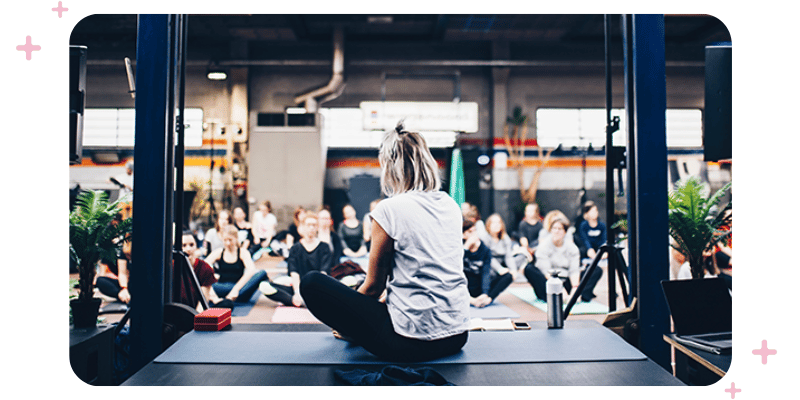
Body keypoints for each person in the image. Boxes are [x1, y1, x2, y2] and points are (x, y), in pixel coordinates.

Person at [300, 121, 470, 363]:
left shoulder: (388, 209)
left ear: (390, 167)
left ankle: (352, 332)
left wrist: (348, 320)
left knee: (312, 283)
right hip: (457, 335)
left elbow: (373, 287)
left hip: (410, 343)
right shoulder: (450, 205)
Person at [524, 215, 602, 302]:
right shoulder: (543, 246)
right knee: (529, 268)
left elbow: (574, 270)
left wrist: (575, 288)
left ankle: (578, 295)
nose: (556, 231)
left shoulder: (572, 248)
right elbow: (546, 271)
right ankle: (554, 296)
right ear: (550, 230)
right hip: (550, 282)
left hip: (567, 280)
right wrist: (559, 289)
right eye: (554, 228)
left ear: (565, 232)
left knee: (595, 269)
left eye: (560, 229)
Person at [261, 211, 332, 307]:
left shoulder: (324, 247)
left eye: (314, 225)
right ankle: (295, 300)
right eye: (308, 225)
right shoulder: (295, 248)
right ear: (302, 227)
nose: (311, 228)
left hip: (319, 288)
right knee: (264, 286)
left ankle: (303, 301)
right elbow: (294, 273)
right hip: (299, 287)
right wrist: (297, 292)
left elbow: (324, 272)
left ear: (317, 227)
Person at [203, 225, 269, 303]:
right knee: (207, 283)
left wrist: (235, 290)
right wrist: (211, 275)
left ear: (236, 238)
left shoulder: (242, 252)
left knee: (262, 273)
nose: (228, 243)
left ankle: (229, 299)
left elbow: (251, 270)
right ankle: (221, 299)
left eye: (230, 240)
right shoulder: (219, 252)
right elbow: (202, 266)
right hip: (221, 288)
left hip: (240, 289)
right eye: (225, 240)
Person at [463, 219, 513, 308]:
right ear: (463, 235)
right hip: (464, 287)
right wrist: (466, 247)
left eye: (475, 231)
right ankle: (472, 301)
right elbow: (455, 268)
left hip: (478, 287)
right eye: (470, 232)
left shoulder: (485, 250)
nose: (474, 234)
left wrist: (485, 293)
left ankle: (486, 300)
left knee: (508, 276)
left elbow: (485, 273)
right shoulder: (460, 248)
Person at [178, 231, 224, 309]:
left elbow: (202, 303)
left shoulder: (205, 268)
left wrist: (195, 316)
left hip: (195, 312)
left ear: (196, 246)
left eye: (191, 245)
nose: (188, 249)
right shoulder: (171, 267)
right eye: (184, 245)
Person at [484, 213, 531, 279]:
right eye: (494, 223)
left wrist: (513, 270)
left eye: (499, 222)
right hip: (490, 265)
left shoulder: (505, 238)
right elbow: (488, 257)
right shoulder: (485, 238)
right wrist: (500, 269)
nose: (496, 225)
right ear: (488, 225)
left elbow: (508, 256)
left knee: (521, 257)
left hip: (503, 263)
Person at [96, 233, 132, 304]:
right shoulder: (122, 251)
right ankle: (123, 296)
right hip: (127, 283)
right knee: (100, 281)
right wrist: (124, 288)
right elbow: (122, 273)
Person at [317, 207, 344, 272]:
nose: (324, 221)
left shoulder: (335, 237)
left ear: (330, 221)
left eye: (327, 218)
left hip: (332, 269)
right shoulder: (314, 235)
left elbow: (337, 255)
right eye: (322, 218)